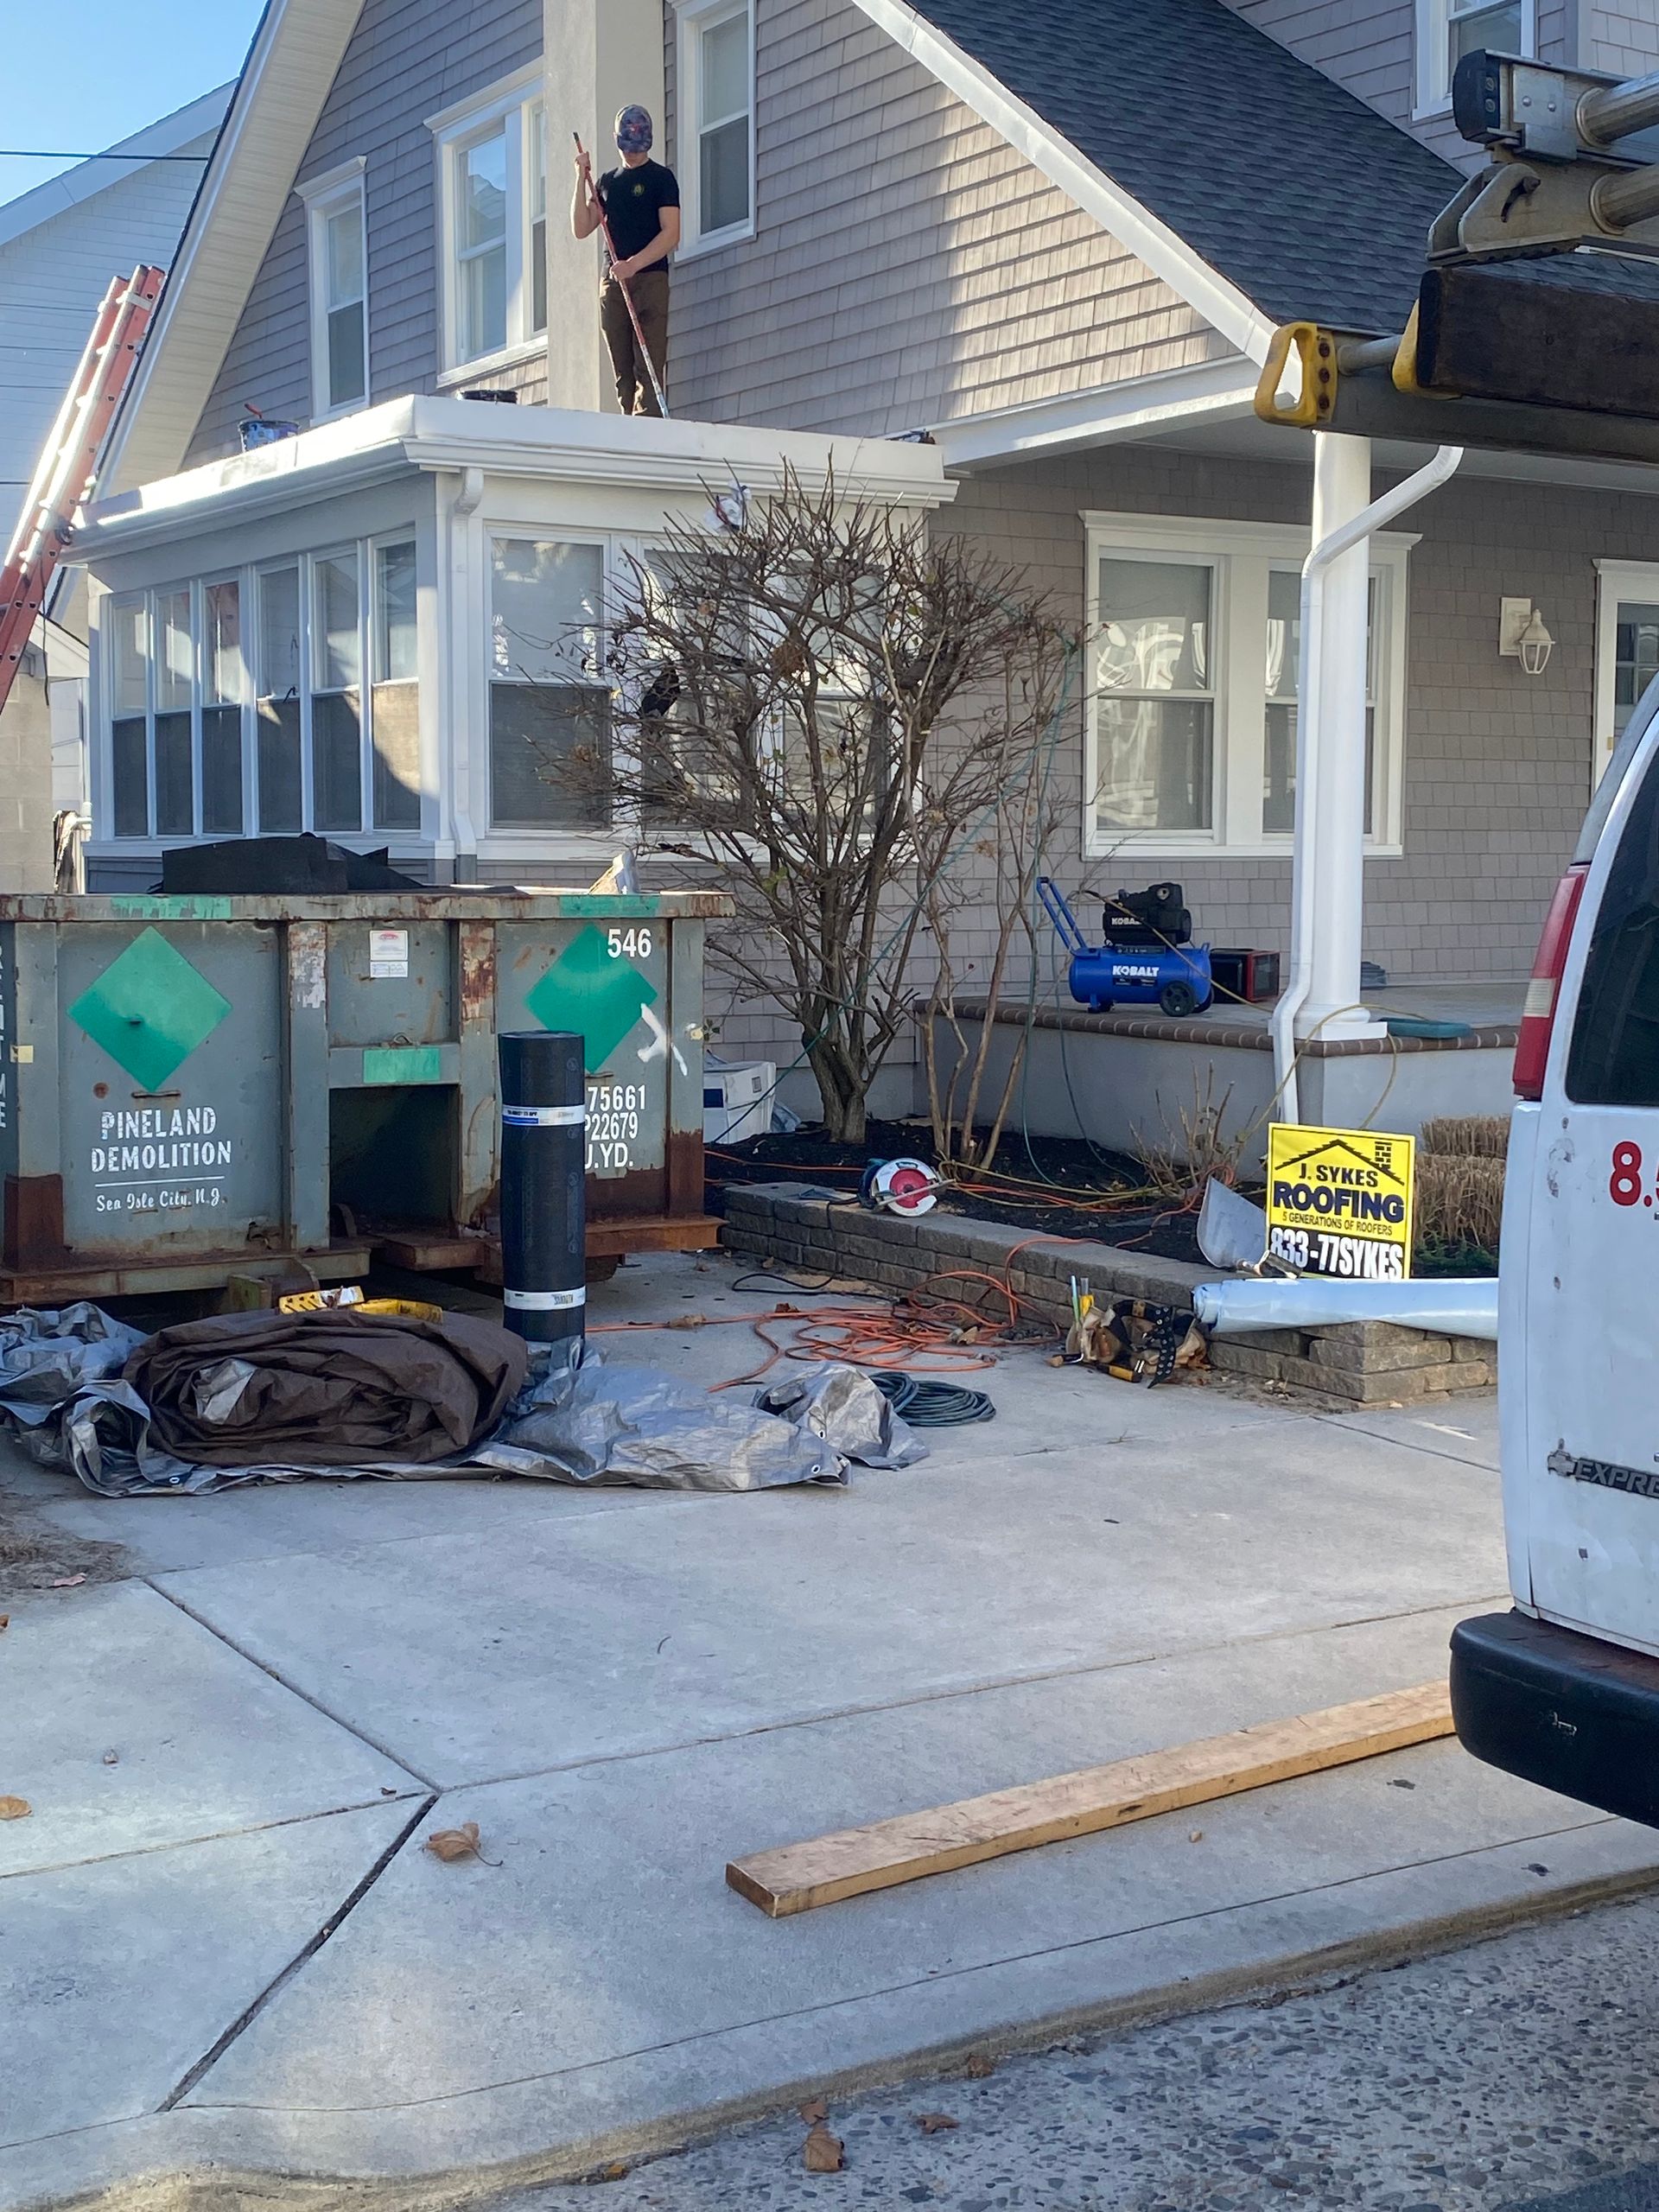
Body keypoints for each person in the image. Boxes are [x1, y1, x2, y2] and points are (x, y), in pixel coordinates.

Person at [572, 105, 680, 417]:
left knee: (649, 362)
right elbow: (581, 227)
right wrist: (580, 179)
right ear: (617, 140)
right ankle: (627, 424)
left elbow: (671, 233)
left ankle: (649, 425)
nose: (633, 154)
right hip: (614, 282)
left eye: (639, 147)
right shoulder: (607, 182)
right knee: (623, 369)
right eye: (628, 146)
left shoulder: (661, 179)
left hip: (650, 279)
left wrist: (633, 264)